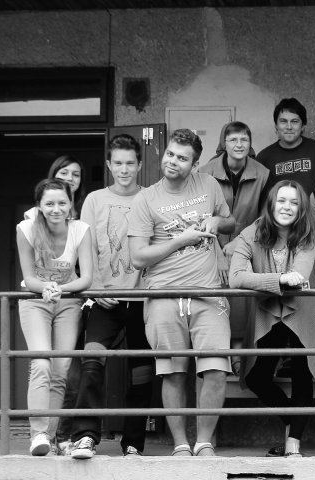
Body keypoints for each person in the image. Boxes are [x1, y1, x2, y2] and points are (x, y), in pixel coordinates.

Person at [128, 128, 235, 457]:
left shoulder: (209, 185)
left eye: (182, 158)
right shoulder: (146, 199)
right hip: (164, 296)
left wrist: (217, 222)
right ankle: (180, 445)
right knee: (172, 372)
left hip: (209, 294)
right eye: (170, 154)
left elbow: (231, 222)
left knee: (216, 371)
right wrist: (180, 240)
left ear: (195, 164)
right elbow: (137, 257)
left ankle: (203, 442)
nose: (173, 161)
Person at [65, 134, 154, 459]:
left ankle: (133, 444)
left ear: (139, 164)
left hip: (143, 301)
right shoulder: (94, 200)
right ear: (109, 165)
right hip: (104, 299)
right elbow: (85, 249)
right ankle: (85, 436)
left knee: (142, 373)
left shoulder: (150, 197)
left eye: (130, 163)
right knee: (92, 362)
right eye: (118, 163)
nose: (124, 169)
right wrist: (96, 288)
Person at [229, 180, 315, 457]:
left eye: (294, 202)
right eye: (282, 201)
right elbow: (235, 277)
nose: (287, 207)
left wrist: (274, 279)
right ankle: (292, 422)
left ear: (301, 209)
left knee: (301, 373)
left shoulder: (306, 234)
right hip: (268, 309)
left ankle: (293, 444)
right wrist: (279, 279)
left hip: (304, 308)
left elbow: (300, 276)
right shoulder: (251, 233)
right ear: (271, 203)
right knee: (256, 376)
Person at [16, 178, 93, 456]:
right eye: (49, 203)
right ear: (39, 206)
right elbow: (28, 277)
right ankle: (37, 434)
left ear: (71, 204)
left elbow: (86, 278)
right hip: (35, 302)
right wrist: (46, 288)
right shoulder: (26, 229)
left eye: (62, 202)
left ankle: (48, 438)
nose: (56, 209)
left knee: (60, 370)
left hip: (68, 303)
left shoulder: (81, 229)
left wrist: (61, 289)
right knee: (41, 363)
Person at [200, 121, 270, 376]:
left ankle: (240, 353)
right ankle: (219, 355)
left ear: (250, 144)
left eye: (244, 140)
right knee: (215, 300)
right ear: (224, 144)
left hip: (249, 244)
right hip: (211, 247)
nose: (239, 145)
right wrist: (218, 252)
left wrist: (239, 242)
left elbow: (266, 215)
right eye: (233, 140)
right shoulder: (206, 172)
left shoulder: (263, 173)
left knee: (243, 299)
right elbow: (200, 216)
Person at [257, 98, 315, 196]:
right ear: (276, 126)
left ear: (303, 126)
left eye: (294, 121)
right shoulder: (264, 158)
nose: (289, 127)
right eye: (283, 121)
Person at [25, 155, 85, 221]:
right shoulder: (34, 214)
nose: (70, 178)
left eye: (76, 175)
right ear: (53, 176)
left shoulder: (86, 210)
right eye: (64, 173)